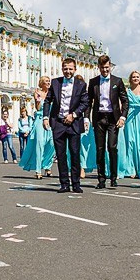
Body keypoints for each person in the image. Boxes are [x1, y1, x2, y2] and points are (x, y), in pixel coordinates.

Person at [43, 58, 89, 193]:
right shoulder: (55, 82)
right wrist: (46, 117)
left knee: (75, 153)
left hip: (73, 123)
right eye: (65, 69)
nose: (68, 71)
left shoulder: (81, 84)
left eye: (70, 69)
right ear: (62, 69)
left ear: (75, 69)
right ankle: (64, 183)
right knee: (60, 154)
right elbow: (48, 101)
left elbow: (85, 103)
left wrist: (74, 115)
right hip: (58, 122)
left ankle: (76, 183)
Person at [87, 55, 127, 188]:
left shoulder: (117, 81)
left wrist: (122, 117)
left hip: (113, 118)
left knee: (112, 147)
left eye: (107, 67)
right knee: (99, 149)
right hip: (99, 118)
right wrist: (86, 117)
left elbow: (125, 101)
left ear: (110, 67)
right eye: (103, 67)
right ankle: (101, 179)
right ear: (98, 67)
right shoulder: (93, 82)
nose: (105, 70)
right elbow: (89, 102)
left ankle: (113, 177)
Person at [117, 70, 140, 180]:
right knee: (130, 141)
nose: (135, 78)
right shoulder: (127, 90)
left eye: (137, 77)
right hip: (129, 116)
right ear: (130, 79)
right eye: (133, 77)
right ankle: (131, 169)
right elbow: (122, 105)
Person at [19, 78, 55, 178]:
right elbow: (38, 108)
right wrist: (37, 99)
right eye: (46, 81)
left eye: (49, 81)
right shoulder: (38, 93)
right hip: (40, 119)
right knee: (40, 143)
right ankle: (38, 170)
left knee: (52, 144)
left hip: (51, 120)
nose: (48, 83)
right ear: (42, 83)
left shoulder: (52, 93)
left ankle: (48, 165)